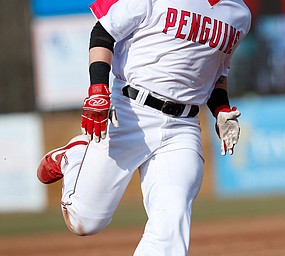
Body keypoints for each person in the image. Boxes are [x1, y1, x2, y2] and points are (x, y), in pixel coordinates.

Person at [37, 0, 251, 255]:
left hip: (183, 126)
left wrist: (221, 109)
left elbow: (217, 73)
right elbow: (103, 32)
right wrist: (98, 88)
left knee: (171, 220)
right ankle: (74, 157)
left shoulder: (239, 14)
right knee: (86, 220)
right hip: (130, 110)